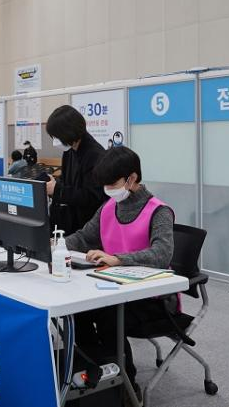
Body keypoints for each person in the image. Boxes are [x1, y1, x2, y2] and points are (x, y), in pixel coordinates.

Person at [65, 146, 175, 404]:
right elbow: (84, 237)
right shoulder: (108, 207)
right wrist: (57, 245)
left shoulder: (158, 211)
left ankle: (126, 383)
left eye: (112, 184)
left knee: (108, 316)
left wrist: (118, 259)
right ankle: (98, 371)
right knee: (75, 313)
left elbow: (162, 254)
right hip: (113, 287)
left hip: (152, 299)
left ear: (132, 178)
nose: (107, 189)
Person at [45, 105, 107, 236]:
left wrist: (57, 190)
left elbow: (92, 197)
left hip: (88, 226)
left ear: (69, 132)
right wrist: (54, 183)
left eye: (57, 137)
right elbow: (67, 180)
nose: (55, 141)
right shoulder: (70, 149)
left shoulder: (95, 155)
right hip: (70, 220)